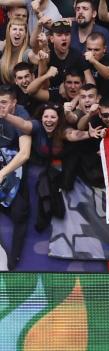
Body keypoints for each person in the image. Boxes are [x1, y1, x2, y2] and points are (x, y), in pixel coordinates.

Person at [0, 85, 31, 270]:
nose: (0, 106)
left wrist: (3, 173)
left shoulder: (22, 115)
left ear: (14, 103)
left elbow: (24, 154)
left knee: (20, 213)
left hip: (14, 170)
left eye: (4, 103)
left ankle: (13, 262)